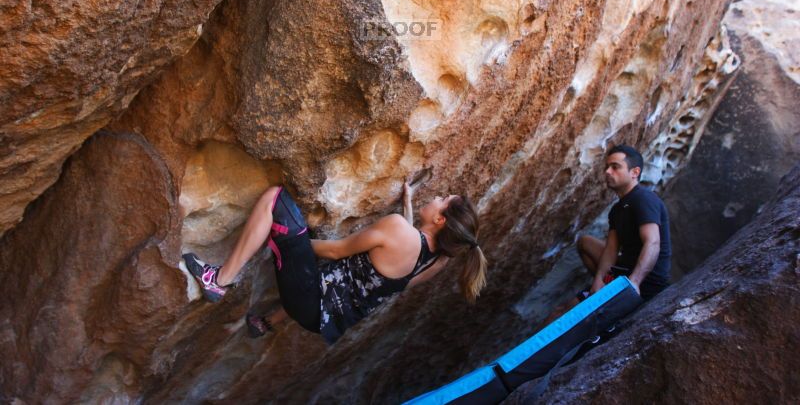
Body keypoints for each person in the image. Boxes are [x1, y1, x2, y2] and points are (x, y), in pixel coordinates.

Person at [182, 178, 488, 344]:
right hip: (323, 320)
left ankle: (218, 280)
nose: (438, 197)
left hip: (309, 297)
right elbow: (407, 246)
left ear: (439, 218)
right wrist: (407, 200)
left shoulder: (398, 230)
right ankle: (265, 323)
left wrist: (294, 242)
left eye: (443, 200)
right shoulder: (437, 262)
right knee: (341, 282)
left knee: (276, 199)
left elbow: (335, 251)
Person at [543, 144, 671, 324]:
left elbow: (653, 243)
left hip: (646, 283)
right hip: (622, 274)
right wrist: (598, 281)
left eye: (615, 167)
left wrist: (633, 283)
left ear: (634, 172)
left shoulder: (644, 199)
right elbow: (611, 250)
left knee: (563, 314)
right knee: (585, 243)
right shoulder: (618, 209)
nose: (608, 172)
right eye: (607, 167)